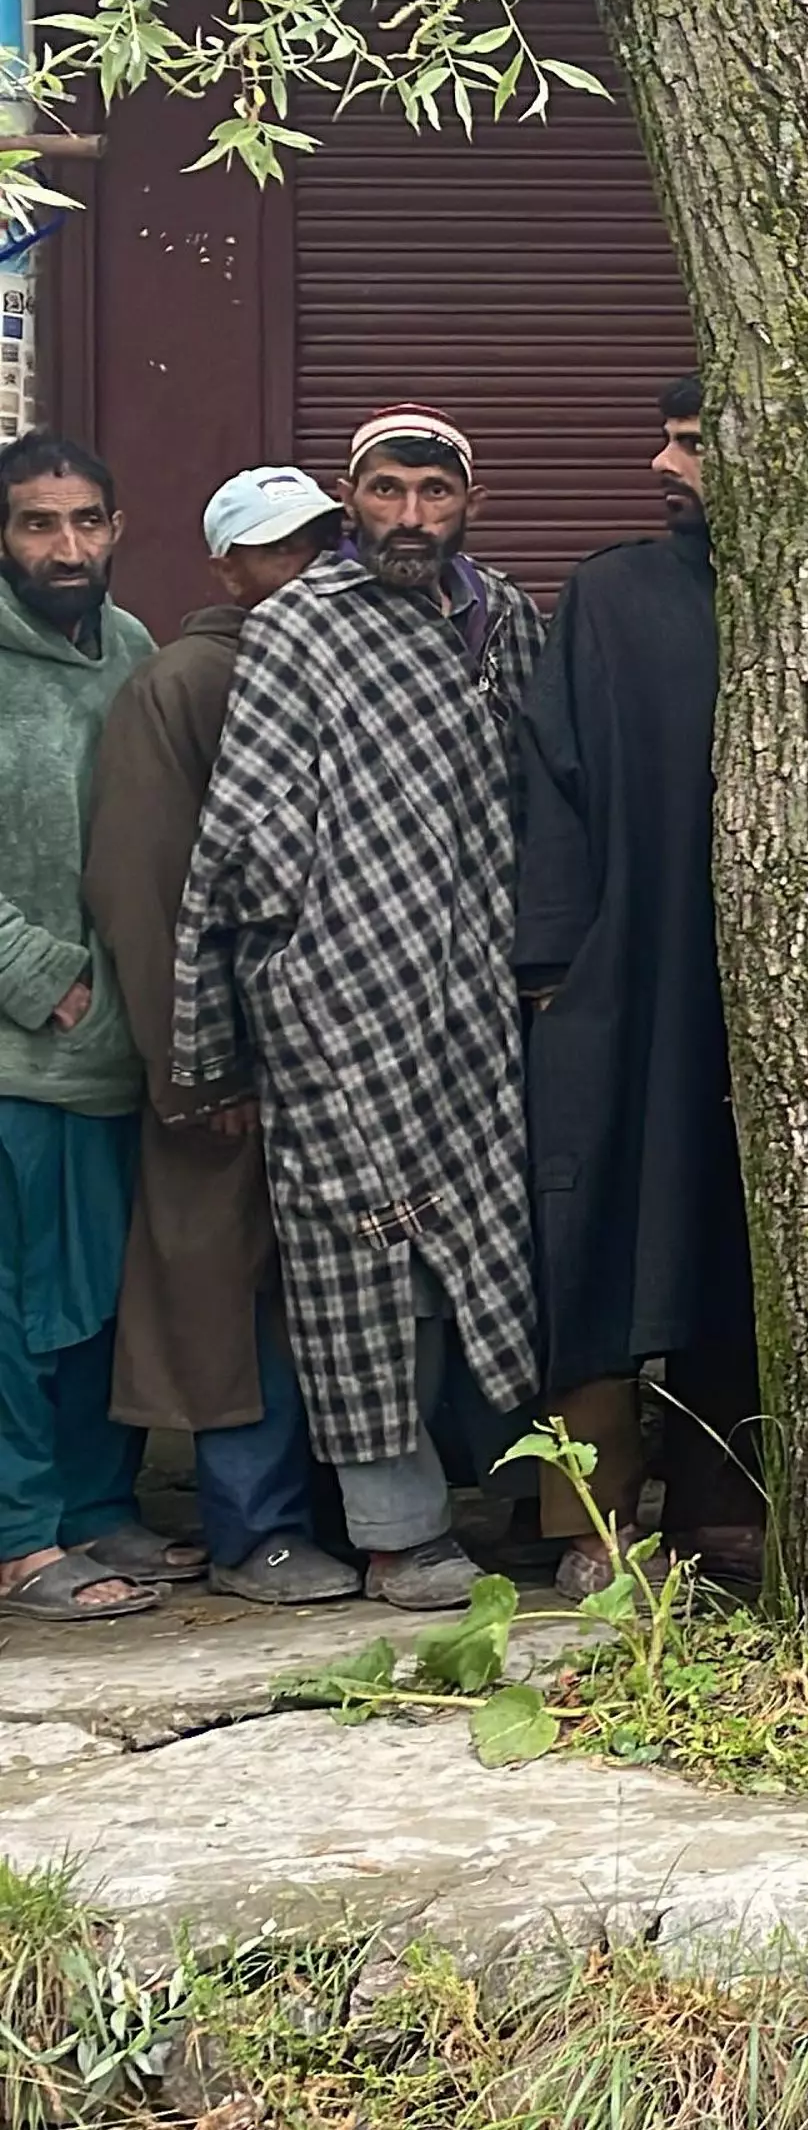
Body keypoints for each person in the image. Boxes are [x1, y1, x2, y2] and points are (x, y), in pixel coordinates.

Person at [169, 407, 546, 1611]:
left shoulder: (508, 622)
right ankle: (396, 1531)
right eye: (387, 492)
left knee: (478, 1247)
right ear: (354, 496)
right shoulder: (301, 629)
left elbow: (546, 798)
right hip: (339, 1002)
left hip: (481, 1006)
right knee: (357, 1265)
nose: (410, 519)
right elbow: (246, 825)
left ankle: (510, 1498)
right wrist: (254, 1001)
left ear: (470, 500)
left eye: (435, 495)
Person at [85, 468, 358, 1606]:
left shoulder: (352, 669)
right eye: (283, 548)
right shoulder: (186, 682)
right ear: (229, 566)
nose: (312, 567)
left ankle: (337, 1514)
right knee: (224, 1289)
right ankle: (255, 1530)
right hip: (230, 1051)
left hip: (341, 1052)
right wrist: (192, 1061)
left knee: (326, 1290)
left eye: (323, 542)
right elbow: (140, 885)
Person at [516, 379, 758, 1596]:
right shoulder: (609, 596)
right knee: (599, 1239)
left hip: (758, 996)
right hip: (621, 979)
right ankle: (590, 1526)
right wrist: (554, 965)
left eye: (694, 445)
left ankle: (723, 1515)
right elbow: (551, 781)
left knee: (740, 1245)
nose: (663, 465)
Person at [0, 434, 172, 1623]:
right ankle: (19, 1535)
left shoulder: (134, 651)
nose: (68, 548)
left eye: (88, 523)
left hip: (122, 1048)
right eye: (38, 525)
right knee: (13, 1306)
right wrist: (35, 974)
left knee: (103, 1292)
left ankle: (96, 1503)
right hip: (19, 1045)